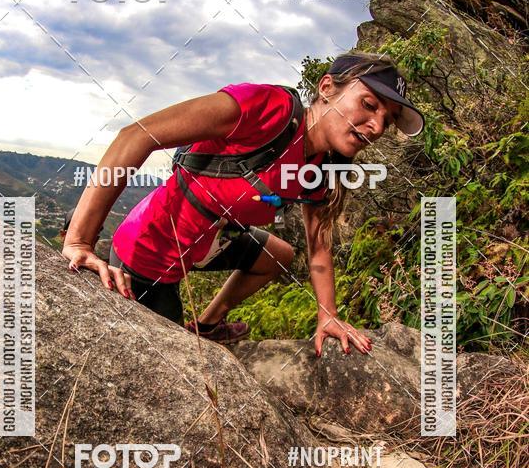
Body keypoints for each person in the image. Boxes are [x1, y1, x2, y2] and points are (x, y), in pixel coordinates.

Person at [62, 51, 424, 356]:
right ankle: (125, 263)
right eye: (368, 104)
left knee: (279, 254)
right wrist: (80, 241)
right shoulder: (268, 108)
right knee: (176, 366)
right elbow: (137, 135)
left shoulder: (323, 167)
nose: (376, 126)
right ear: (327, 88)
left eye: (387, 119)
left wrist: (328, 314)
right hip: (150, 252)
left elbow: (319, 247)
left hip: (205, 244)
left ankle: (207, 325)